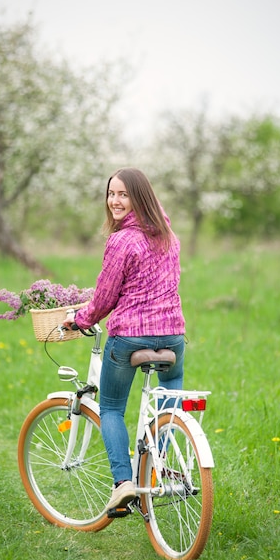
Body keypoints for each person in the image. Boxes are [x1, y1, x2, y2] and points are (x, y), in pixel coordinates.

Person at [62, 167, 185, 511]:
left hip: (130, 336)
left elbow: (104, 298)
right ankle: (156, 467)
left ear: (138, 198)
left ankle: (124, 483)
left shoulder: (122, 240)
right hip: (173, 334)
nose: (114, 201)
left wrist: (80, 320)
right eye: (111, 194)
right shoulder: (169, 236)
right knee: (170, 396)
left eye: (123, 195)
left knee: (112, 408)